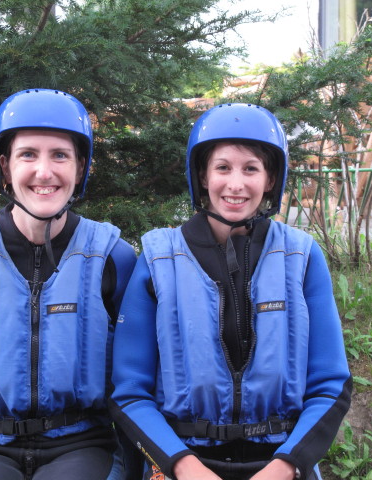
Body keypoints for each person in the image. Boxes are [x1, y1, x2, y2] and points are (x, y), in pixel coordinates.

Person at [109, 103, 352, 480]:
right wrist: (183, 467)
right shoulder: (158, 259)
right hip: (183, 460)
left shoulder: (302, 256)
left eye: (250, 168)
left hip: (280, 460)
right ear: (203, 176)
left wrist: (286, 466)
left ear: (270, 179)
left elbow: (330, 384)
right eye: (223, 167)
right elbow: (129, 392)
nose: (235, 184)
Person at [0, 88, 137, 480]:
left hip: (83, 445)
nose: (44, 171)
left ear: (81, 168)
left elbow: (137, 383)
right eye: (28, 154)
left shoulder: (112, 256)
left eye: (60, 155)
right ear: (5, 166)